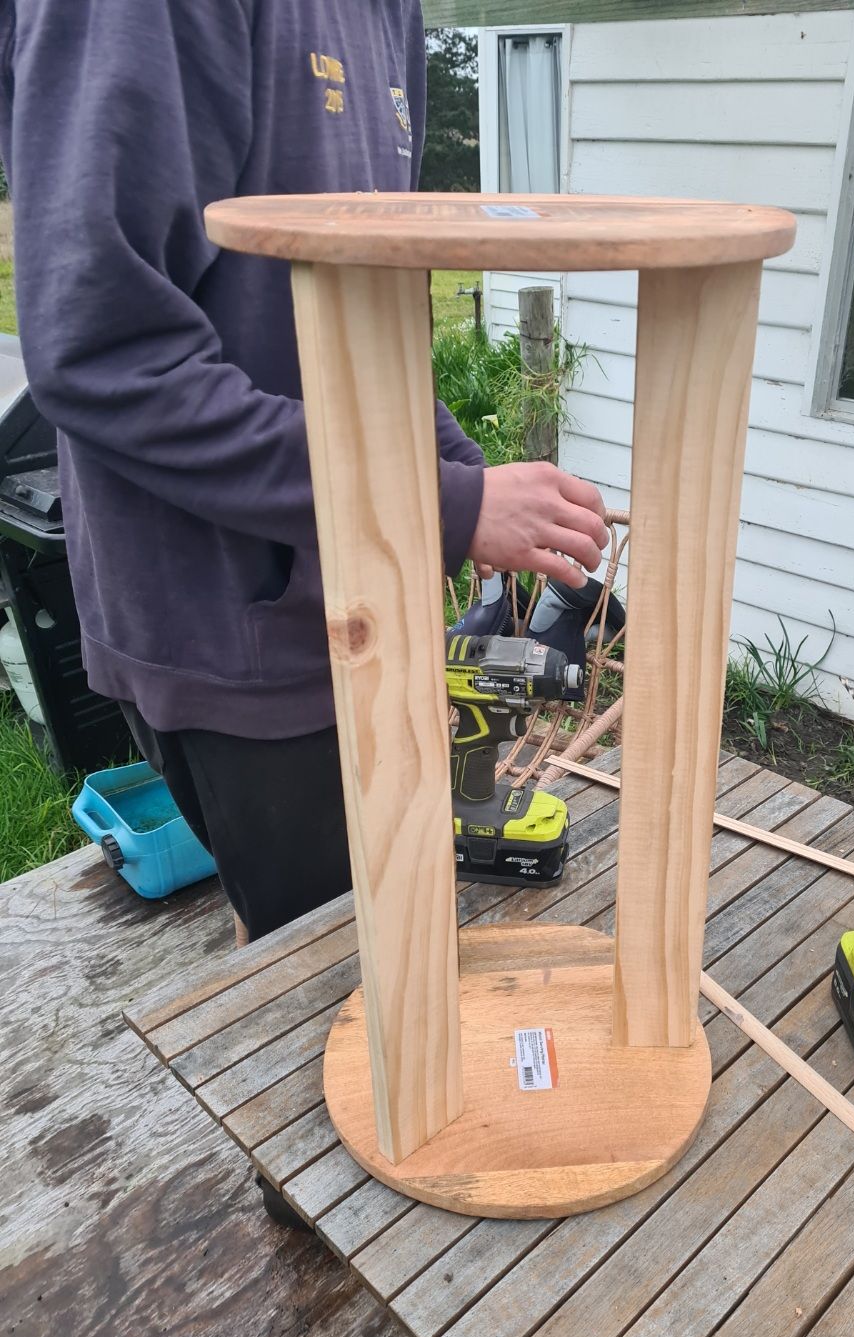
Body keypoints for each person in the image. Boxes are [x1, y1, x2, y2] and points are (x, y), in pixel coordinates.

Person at [0, 0, 608, 939]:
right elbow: (105, 355)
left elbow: (358, 317)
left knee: (365, 936)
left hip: (355, 596)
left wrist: (455, 468)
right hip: (234, 626)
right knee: (339, 971)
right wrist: (437, 504)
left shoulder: (386, 13)